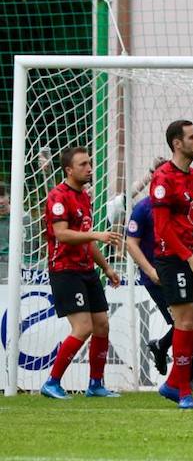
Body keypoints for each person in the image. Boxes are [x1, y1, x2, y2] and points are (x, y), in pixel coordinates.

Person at [37, 147, 122, 400]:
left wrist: (106, 267)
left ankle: (96, 384)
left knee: (102, 325)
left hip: (86, 270)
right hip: (65, 271)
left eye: (89, 163)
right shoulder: (57, 196)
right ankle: (51, 383)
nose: (89, 168)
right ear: (69, 170)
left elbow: (86, 237)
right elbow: (62, 234)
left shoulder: (84, 196)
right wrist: (97, 234)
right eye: (83, 164)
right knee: (83, 327)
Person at [151, 120, 193, 409]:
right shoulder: (163, 179)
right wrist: (190, 259)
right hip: (173, 259)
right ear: (177, 143)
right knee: (184, 321)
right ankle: (183, 389)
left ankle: (173, 382)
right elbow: (162, 229)